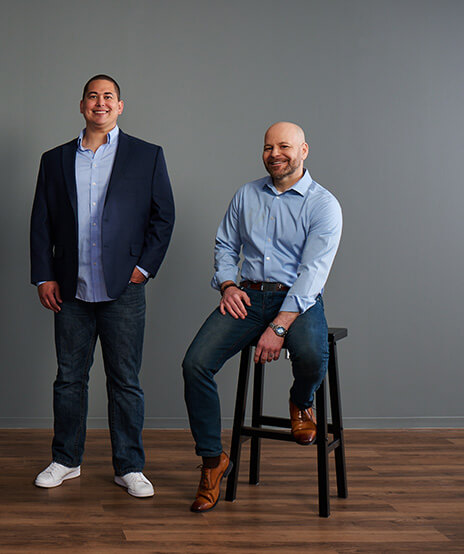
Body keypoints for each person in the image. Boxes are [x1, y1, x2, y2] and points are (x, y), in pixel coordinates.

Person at [181, 121, 342, 513]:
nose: (275, 154)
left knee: (310, 353)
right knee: (195, 364)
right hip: (247, 297)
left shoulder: (323, 204)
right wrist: (228, 285)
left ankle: (301, 401)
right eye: (268, 147)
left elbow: (312, 273)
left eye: (284, 146)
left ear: (304, 151)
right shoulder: (246, 194)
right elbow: (225, 244)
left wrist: (280, 325)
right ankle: (213, 461)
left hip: (298, 299)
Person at [30, 75, 175, 498]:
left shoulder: (146, 156)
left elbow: (163, 217)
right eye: (93, 96)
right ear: (82, 106)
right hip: (70, 288)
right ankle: (65, 460)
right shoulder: (54, 159)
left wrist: (144, 269)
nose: (100, 103)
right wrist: (44, 275)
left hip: (124, 289)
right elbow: (41, 222)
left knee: (125, 380)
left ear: (120, 106)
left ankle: (129, 466)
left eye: (108, 96)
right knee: (68, 379)